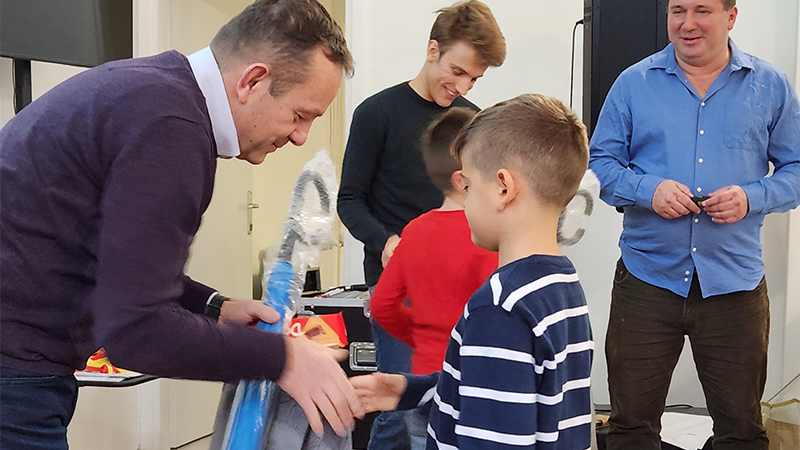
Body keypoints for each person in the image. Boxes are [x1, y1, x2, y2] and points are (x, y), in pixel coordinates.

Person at [0, 1, 364, 448]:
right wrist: (283, 359)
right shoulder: (170, 127)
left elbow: (121, 260)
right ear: (252, 81)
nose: (300, 136)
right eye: (299, 115)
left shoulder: (153, 93)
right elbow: (134, 332)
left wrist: (214, 307)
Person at [588, 0, 800, 448]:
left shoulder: (771, 86)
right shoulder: (633, 83)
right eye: (677, 10)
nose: (687, 24)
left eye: (702, 10)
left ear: (731, 16)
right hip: (646, 283)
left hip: (735, 286)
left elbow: (796, 170)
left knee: (741, 432)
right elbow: (599, 165)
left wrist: (752, 197)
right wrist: (648, 190)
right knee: (630, 430)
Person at [351, 93, 594, 450]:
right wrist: (411, 390)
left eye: (468, 186)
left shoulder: (498, 308)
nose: (464, 200)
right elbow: (510, 396)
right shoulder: (563, 285)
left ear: (503, 188)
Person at [337, 2, 505, 448]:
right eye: (457, 71)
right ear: (433, 50)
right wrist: (386, 241)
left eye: (474, 79)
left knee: (457, 404)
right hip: (401, 289)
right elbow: (349, 200)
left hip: (465, 285)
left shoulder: (475, 122)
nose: (463, 86)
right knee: (401, 411)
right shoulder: (376, 113)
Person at [368, 108, 498, 449]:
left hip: (422, 382)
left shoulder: (414, 231)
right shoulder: (489, 237)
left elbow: (381, 305)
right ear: (464, 177)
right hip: (474, 381)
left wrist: (420, 334)